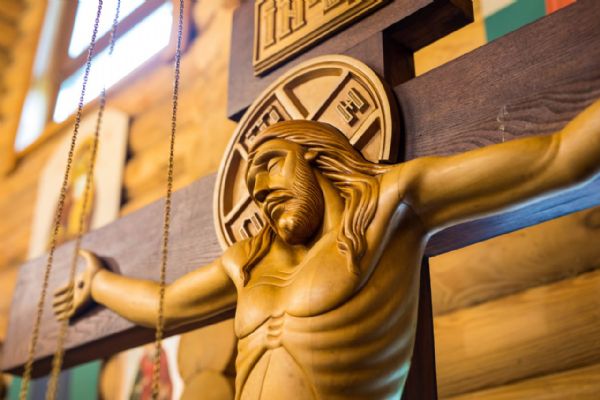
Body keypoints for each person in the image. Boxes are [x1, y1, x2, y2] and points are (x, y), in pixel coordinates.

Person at [54, 99, 600, 399]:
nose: (259, 189)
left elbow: (559, 157)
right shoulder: (248, 260)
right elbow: (166, 306)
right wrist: (98, 282)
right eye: (251, 184)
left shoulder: (395, 205)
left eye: (269, 165)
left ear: (315, 155)